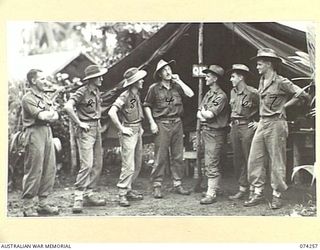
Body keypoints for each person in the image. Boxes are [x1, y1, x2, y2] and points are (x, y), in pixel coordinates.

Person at [244, 48, 309, 209]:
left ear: (269, 64)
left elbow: (302, 94)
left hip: (277, 124)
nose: (257, 67)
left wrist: (284, 107)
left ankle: (277, 195)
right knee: (255, 158)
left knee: (277, 160)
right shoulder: (261, 81)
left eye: (260, 64)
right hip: (263, 122)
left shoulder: (281, 81)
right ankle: (257, 192)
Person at [143, 59, 194, 198]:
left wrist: (180, 81)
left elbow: (191, 94)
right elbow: (147, 105)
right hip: (162, 123)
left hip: (177, 123)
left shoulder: (177, 87)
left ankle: (177, 184)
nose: (168, 72)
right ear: (160, 74)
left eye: (169, 69)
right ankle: (157, 185)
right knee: (160, 156)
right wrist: (152, 123)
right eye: (164, 70)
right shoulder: (154, 88)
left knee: (178, 155)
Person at [64, 64, 107, 213]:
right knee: (87, 164)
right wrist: (80, 123)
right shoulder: (82, 91)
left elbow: (96, 111)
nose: (101, 78)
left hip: (96, 129)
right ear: (92, 79)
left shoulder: (96, 91)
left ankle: (89, 194)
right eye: (99, 76)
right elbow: (68, 107)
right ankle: (78, 196)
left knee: (97, 163)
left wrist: (98, 124)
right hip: (86, 130)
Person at [21, 69, 60, 216]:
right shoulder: (28, 98)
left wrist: (50, 115)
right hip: (34, 133)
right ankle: (28, 206)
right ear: (33, 81)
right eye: (42, 79)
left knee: (49, 168)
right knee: (34, 169)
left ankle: (43, 203)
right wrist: (50, 115)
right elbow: (43, 115)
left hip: (47, 132)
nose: (45, 81)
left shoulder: (44, 97)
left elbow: (55, 115)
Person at [108, 67, 146, 207]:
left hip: (137, 129)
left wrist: (140, 127)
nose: (142, 81)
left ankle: (129, 189)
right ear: (134, 82)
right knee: (128, 165)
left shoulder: (136, 95)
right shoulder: (125, 95)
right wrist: (122, 128)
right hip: (128, 131)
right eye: (139, 79)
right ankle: (122, 193)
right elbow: (112, 112)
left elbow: (137, 112)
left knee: (137, 162)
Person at [197, 65, 229, 205]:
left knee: (211, 162)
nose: (206, 78)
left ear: (215, 79)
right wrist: (204, 115)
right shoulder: (209, 94)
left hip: (215, 133)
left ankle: (211, 194)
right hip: (207, 131)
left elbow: (209, 114)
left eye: (208, 76)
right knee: (209, 160)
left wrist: (204, 115)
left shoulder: (221, 96)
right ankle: (213, 188)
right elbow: (199, 112)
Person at [227, 64, 259, 201]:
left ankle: (253, 189)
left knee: (249, 158)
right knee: (237, 158)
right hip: (235, 127)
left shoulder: (253, 92)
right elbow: (232, 109)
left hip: (247, 127)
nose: (230, 79)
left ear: (241, 77)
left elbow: (264, 107)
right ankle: (242, 188)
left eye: (233, 76)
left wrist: (259, 122)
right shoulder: (232, 92)